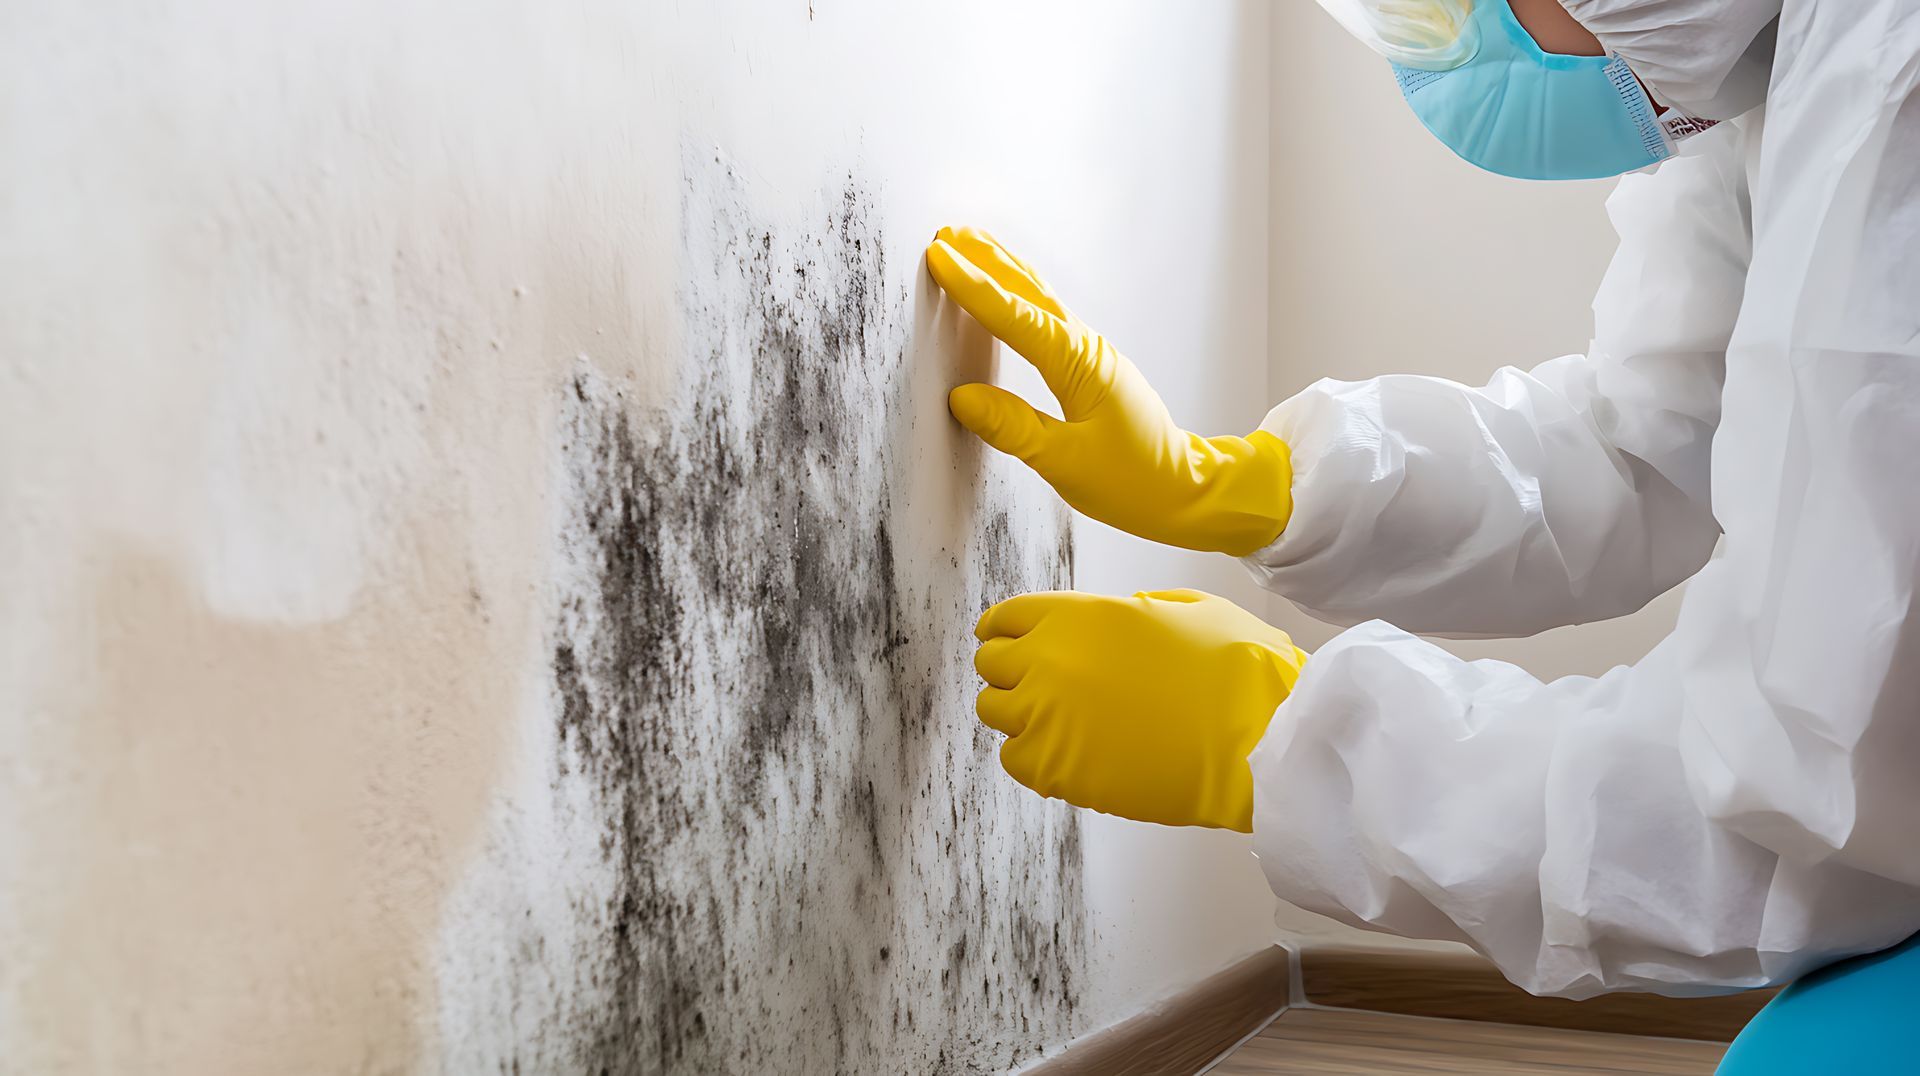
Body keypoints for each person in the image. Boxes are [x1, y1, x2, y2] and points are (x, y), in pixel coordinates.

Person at [928, 0, 1920, 1069]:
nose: (1440, 34)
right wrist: (1255, 487)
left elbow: (1812, 815)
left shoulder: (1891, 78)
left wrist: (1283, 746)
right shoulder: (1762, 80)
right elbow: (1643, 439)